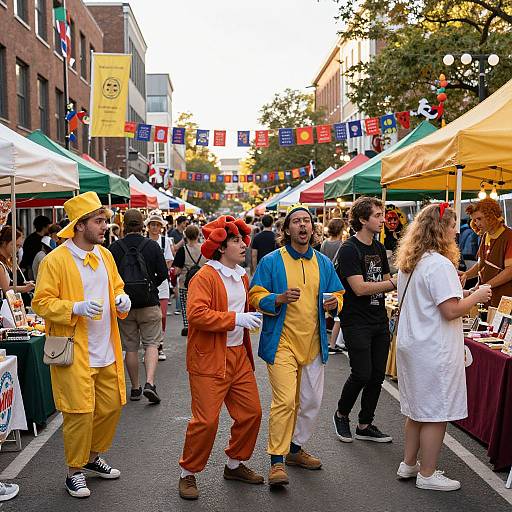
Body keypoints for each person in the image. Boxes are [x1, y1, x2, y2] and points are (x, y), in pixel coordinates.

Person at [32, 192, 131, 498]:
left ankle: (92, 456)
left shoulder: (106, 255)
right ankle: (74, 471)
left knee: (111, 406)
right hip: (74, 350)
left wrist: (121, 298)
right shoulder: (55, 260)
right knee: (79, 413)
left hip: (106, 347)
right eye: (99, 221)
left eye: (105, 221)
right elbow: (41, 302)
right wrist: (73, 308)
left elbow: (116, 285)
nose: (106, 227)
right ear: (79, 225)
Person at [394, 203, 492, 491]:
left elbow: (429, 296)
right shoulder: (438, 263)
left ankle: (409, 463)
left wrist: (465, 292)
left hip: (413, 344)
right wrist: (478, 295)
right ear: (441, 229)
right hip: (432, 348)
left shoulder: (412, 262)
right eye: (452, 225)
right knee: (436, 411)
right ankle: (427, 472)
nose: (456, 230)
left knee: (416, 410)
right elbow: (450, 310)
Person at [250, 204, 344, 487]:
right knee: (285, 400)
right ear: (287, 229)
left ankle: (294, 448)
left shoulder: (323, 263)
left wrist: (335, 303)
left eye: (307, 221)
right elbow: (254, 294)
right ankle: (276, 462)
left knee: (312, 401)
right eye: (297, 222)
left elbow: (339, 293)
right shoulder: (271, 261)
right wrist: (276, 299)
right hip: (281, 343)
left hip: (315, 343)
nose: (303, 226)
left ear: (313, 229)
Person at [179, 215, 263, 500]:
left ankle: (235, 463)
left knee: (251, 413)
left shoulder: (241, 275)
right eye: (236, 241)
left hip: (238, 355)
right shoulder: (204, 276)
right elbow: (196, 315)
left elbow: (250, 306)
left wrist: (273, 301)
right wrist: (236, 319)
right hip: (209, 358)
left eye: (242, 239)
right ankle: (187, 473)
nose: (243, 244)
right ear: (221, 247)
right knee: (205, 422)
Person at [333, 196, 396, 444]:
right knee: (361, 373)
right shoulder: (349, 249)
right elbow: (358, 288)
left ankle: (365, 424)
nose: (383, 220)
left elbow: (388, 278)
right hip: (355, 320)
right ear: (362, 219)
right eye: (378, 216)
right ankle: (341, 414)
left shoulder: (378, 248)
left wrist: (393, 283)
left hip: (379, 318)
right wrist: (392, 283)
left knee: (377, 375)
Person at [109, 209, 168, 404]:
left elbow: (109, 277)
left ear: (124, 224)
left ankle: (135, 387)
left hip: (124, 304)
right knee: (151, 343)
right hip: (149, 302)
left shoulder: (114, 248)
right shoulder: (152, 246)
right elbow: (163, 274)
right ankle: (150, 382)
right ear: (143, 224)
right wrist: (151, 286)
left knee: (131, 347)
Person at [461, 198, 512, 307]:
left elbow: (509, 271)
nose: (477, 223)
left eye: (479, 219)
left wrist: (484, 286)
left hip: (505, 297)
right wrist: (466, 275)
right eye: (474, 220)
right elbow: (482, 262)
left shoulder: (509, 237)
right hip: (487, 296)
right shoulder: (486, 235)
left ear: (491, 216)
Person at [145, 211, 174, 361]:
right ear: (148, 226)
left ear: (161, 227)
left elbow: (169, 260)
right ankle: (151, 347)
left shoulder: (164, 242)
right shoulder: (143, 241)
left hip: (162, 283)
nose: (155, 227)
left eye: (157, 225)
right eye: (152, 225)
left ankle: (160, 344)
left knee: (161, 315)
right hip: (146, 283)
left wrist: (161, 270)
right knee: (149, 317)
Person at [172, 224, 204, 337]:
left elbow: (176, 271)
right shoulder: (204, 249)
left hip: (186, 284)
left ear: (185, 236)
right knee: (202, 307)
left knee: (187, 309)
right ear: (198, 235)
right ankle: (201, 327)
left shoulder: (182, 250)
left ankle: (189, 327)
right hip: (203, 284)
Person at [321, 218, 347, 355]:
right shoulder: (342, 245)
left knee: (325, 309)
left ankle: (325, 339)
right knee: (338, 314)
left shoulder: (325, 243)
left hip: (324, 279)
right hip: (336, 280)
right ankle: (333, 343)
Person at [0, 227, 35, 300]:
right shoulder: (1, 265)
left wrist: (27, 284)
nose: (17, 249)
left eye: (19, 247)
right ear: (4, 243)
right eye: (16, 245)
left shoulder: (12, 261)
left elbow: (19, 281)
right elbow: (6, 289)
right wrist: (25, 288)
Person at [20, 215, 51, 279]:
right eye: (48, 226)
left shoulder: (30, 238)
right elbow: (28, 256)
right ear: (44, 227)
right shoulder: (33, 240)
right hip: (31, 269)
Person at [168, 215, 188, 314]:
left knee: (179, 283)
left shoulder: (182, 233)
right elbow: (174, 248)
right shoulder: (173, 233)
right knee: (177, 284)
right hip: (175, 261)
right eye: (185, 223)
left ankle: (180, 306)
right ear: (180, 223)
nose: (186, 225)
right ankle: (178, 307)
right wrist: (183, 240)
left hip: (182, 260)